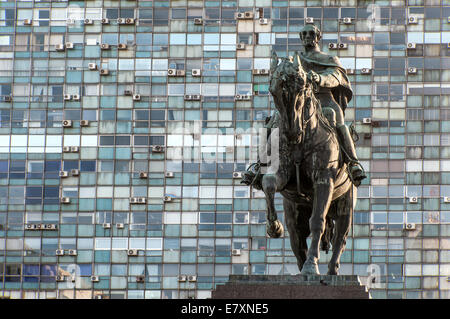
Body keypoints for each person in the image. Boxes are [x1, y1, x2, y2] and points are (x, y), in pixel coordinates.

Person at [298, 24, 366, 186]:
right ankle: (263, 165)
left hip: (325, 100)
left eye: (312, 33)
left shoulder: (329, 59)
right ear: (301, 37)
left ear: (318, 37)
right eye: (305, 33)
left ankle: (353, 163)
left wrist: (319, 78)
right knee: (274, 123)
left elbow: (335, 77)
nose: (308, 36)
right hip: (300, 103)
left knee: (339, 125)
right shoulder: (295, 60)